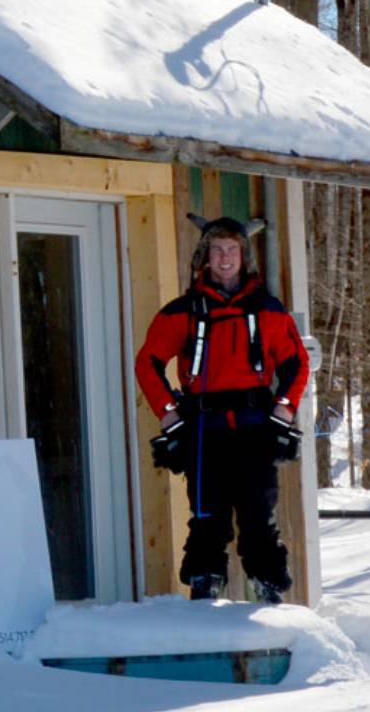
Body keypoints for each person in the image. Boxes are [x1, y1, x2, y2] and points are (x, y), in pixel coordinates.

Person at [133, 214, 307, 603]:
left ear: (243, 256)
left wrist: (284, 410)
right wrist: (168, 414)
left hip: (255, 429)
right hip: (202, 431)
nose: (225, 258)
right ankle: (204, 592)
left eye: (232, 250)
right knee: (207, 518)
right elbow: (147, 362)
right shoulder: (182, 310)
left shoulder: (267, 308)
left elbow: (297, 363)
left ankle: (269, 595)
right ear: (205, 256)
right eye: (217, 250)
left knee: (258, 519)